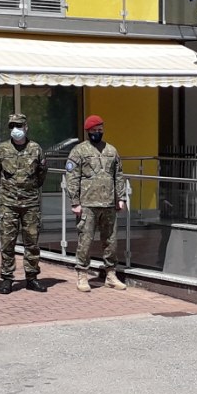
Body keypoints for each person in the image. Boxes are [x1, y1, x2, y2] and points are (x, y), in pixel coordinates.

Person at [66, 114, 128, 292]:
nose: (97, 133)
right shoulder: (79, 151)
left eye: (100, 130)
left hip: (108, 204)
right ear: (88, 131)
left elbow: (118, 175)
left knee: (111, 241)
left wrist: (120, 198)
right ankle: (82, 274)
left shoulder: (111, 150)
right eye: (94, 130)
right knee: (85, 241)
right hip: (87, 204)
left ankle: (110, 274)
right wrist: (75, 202)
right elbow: (72, 177)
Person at [0, 112, 47, 294]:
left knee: (32, 243)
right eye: (12, 126)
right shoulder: (2, 150)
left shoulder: (35, 149)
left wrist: (30, 189)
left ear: (26, 127)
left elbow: (41, 173)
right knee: (7, 243)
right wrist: (5, 191)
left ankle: (32, 277)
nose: (16, 129)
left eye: (19, 126)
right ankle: (7, 279)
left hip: (30, 204)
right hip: (8, 203)